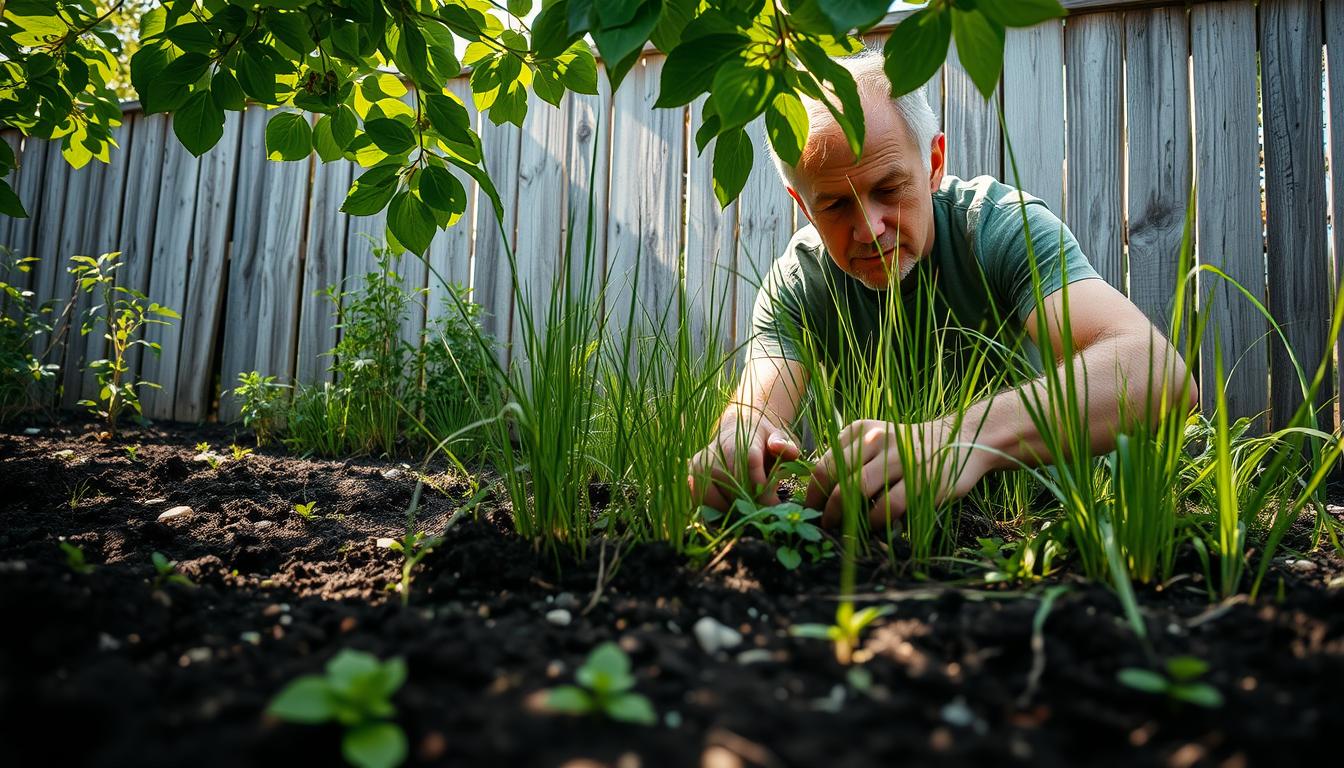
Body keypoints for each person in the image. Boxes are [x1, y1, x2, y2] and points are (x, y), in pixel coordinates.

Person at [687, 49, 1197, 529]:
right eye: (835, 206)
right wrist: (737, 445)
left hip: (1049, 527)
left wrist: (957, 441)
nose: (869, 229)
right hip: (883, 540)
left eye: (888, 189)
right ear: (802, 205)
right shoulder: (800, 282)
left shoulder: (999, 228)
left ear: (933, 164)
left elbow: (1161, 375)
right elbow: (756, 411)